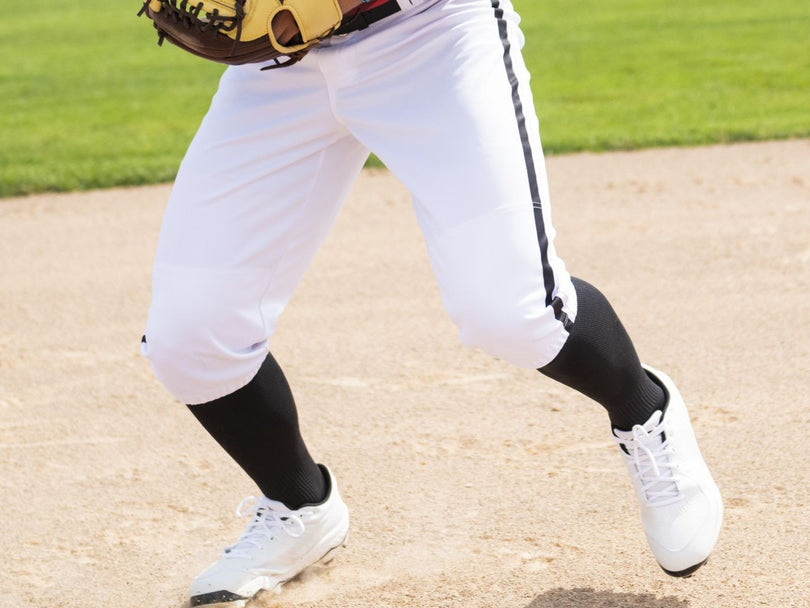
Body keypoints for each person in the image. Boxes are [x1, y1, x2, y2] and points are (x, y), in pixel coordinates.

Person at [140, 0, 723, 605]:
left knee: (511, 310)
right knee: (188, 339)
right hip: (281, 65)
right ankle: (298, 506)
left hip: (429, 36)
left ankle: (642, 409)